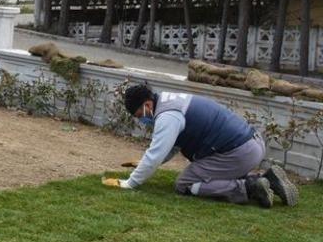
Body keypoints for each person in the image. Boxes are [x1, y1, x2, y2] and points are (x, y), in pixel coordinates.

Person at [103, 84, 298, 208]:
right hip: (251, 144)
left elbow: (156, 152)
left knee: (185, 184)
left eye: (139, 115)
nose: (141, 121)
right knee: (211, 173)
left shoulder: (167, 116)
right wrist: (141, 163)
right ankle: (268, 181)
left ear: (147, 104)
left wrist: (131, 183)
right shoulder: (170, 100)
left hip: (237, 152)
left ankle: (249, 187)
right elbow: (171, 147)